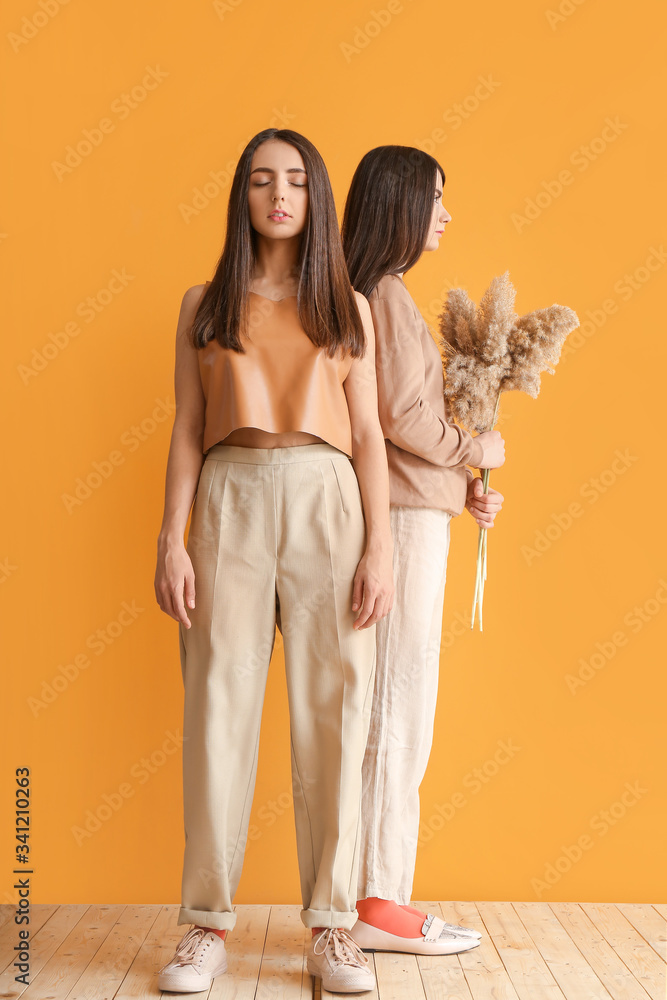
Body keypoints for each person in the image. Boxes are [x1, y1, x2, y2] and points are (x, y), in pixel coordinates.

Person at [153, 128, 394, 994]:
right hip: (230, 496)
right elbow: (186, 426)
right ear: (242, 196)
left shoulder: (345, 307)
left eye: (294, 180)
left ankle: (332, 928)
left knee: (333, 708)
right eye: (262, 180)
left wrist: (381, 546)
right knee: (218, 706)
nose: (279, 194)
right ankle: (205, 925)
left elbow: (367, 437)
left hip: (328, 498)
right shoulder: (202, 304)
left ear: (315, 196)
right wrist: (169, 538)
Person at [341, 145, 506, 956]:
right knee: (395, 710)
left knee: (393, 708)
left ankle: (377, 895)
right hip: (399, 527)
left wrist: (461, 481)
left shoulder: (373, 293)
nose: (445, 215)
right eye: (435, 199)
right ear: (400, 206)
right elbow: (405, 419)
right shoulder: (383, 294)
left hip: (410, 515)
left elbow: (402, 429)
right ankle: (378, 904)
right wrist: (476, 443)